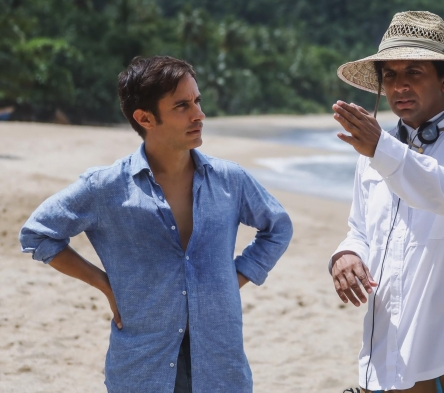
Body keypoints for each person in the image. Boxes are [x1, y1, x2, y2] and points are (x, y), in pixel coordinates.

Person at [19, 56, 293, 393]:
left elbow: (278, 227)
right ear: (145, 118)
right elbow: (38, 234)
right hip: (142, 367)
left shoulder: (230, 180)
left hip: (222, 367)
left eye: (197, 101)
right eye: (182, 105)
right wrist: (106, 285)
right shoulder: (106, 187)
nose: (199, 114)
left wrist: (234, 277)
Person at [329, 11, 444, 392]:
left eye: (414, 72)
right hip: (381, 356)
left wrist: (382, 150)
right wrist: (346, 255)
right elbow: (359, 229)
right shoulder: (375, 150)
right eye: (390, 75)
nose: (399, 86)